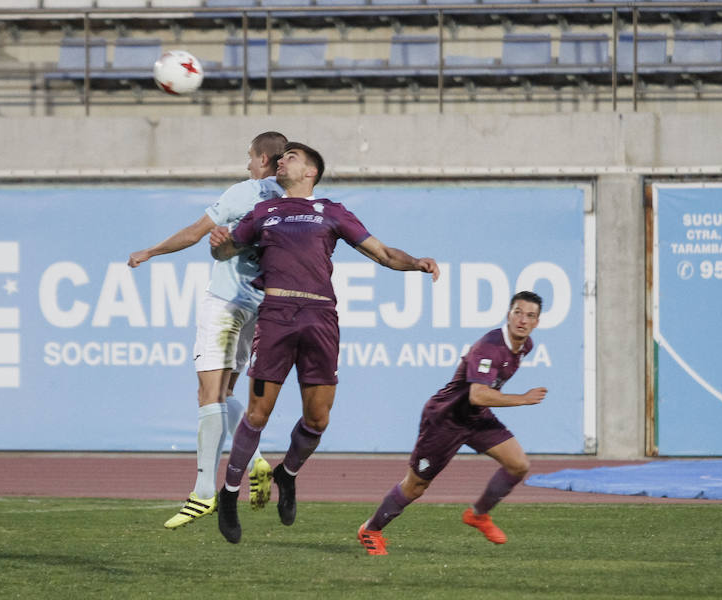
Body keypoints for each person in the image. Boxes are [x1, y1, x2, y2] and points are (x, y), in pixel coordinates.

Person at [208, 141, 441, 544]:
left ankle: (288, 472)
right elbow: (230, 248)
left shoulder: (330, 211)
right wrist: (219, 244)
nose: (282, 161)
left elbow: (383, 252)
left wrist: (416, 263)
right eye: (280, 158)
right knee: (258, 414)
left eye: (291, 157)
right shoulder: (264, 212)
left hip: (319, 318)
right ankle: (228, 494)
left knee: (318, 419)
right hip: (277, 316)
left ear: (311, 172)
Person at [127, 131, 288, 529]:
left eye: (250, 157)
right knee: (226, 393)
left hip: (226, 301)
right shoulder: (291, 203)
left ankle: (202, 492)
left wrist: (151, 251)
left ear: (265, 159)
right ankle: (256, 461)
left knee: (207, 394)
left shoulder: (244, 192)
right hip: (259, 304)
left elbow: (195, 232)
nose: (247, 164)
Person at [357, 291, 548, 555]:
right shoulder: (490, 346)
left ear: (537, 322)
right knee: (416, 486)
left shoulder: (526, 346)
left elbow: (480, 398)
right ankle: (371, 529)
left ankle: (478, 515)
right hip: (445, 420)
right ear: (508, 314)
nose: (523, 320)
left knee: (518, 465)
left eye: (530, 315)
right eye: (518, 312)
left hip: (475, 417)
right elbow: (477, 394)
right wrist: (523, 399)